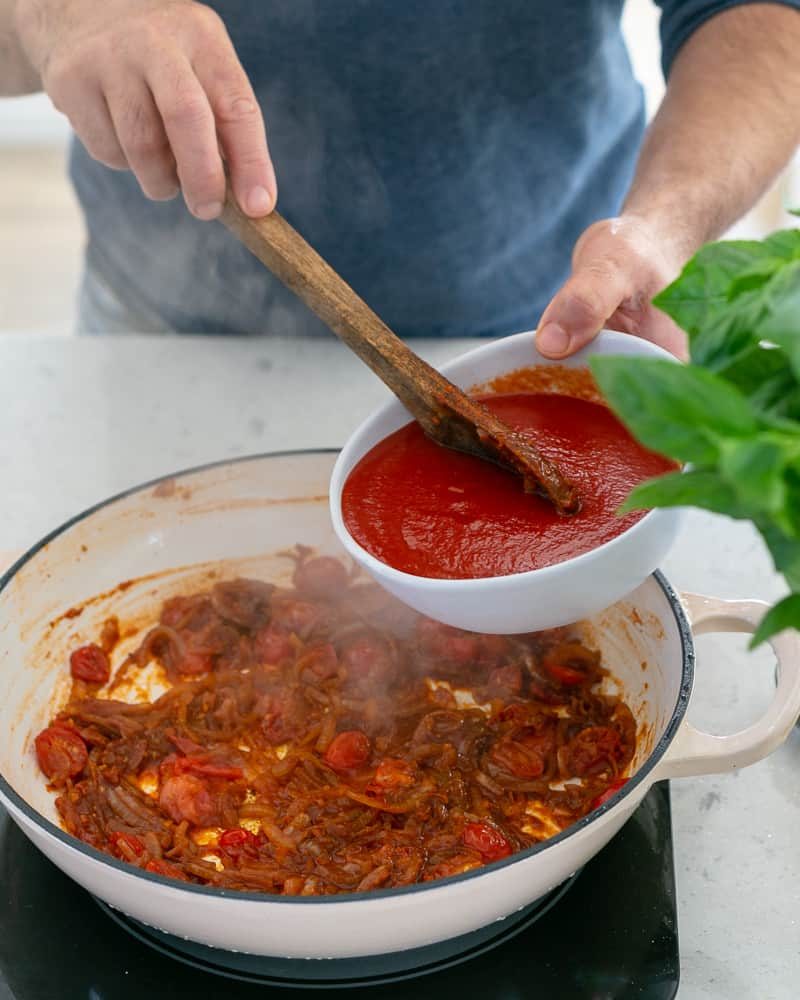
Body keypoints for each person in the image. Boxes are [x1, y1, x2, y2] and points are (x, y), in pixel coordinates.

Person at [1, 1, 798, 354]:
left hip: (557, 323)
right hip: (158, 334)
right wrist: (54, 12)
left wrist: (661, 226)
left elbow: (761, 14)